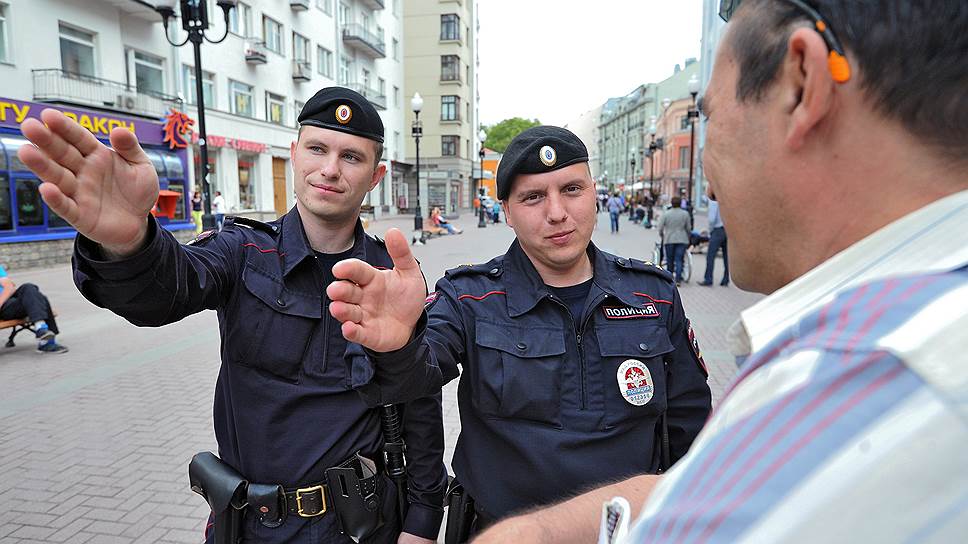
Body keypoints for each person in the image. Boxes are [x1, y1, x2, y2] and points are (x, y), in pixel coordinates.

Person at [471, 0, 968, 542]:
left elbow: (689, 425)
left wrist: (542, 532)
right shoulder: (893, 342)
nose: (706, 181)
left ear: (802, 84)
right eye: (533, 197)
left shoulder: (849, 381)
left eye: (710, 116)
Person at [18, 87, 446, 544]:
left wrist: (421, 522)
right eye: (317, 148)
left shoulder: (390, 274)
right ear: (294, 153)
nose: (330, 169)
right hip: (249, 525)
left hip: (362, 525)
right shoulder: (243, 250)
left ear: (375, 176)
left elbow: (420, 403)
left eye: (352, 157)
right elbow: (166, 290)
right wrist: (128, 243)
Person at [325, 126, 712, 539]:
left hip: (629, 532)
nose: (557, 212)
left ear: (595, 193)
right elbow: (414, 376)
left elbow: (690, 431)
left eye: (572, 189)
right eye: (533, 197)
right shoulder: (469, 298)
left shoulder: (653, 294)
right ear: (506, 211)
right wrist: (399, 345)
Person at [0, 266, 68, 354]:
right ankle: (46, 342)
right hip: (4, 309)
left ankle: (41, 328)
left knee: (28, 287)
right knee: (40, 298)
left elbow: (9, 287)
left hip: (7, 301)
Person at [655, 196, 692, 285]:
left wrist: (662, 235)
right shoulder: (685, 214)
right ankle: (678, 279)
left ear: (671, 203)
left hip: (669, 239)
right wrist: (688, 237)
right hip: (682, 239)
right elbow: (688, 228)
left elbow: (660, 227)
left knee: (670, 259)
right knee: (679, 259)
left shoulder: (666, 214)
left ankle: (670, 278)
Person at [698, 198, 729, 287]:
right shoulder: (725, 199)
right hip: (727, 229)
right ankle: (726, 279)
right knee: (726, 257)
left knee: (710, 256)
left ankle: (708, 279)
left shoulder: (714, 201)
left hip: (717, 230)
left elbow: (712, 219)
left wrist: (710, 230)